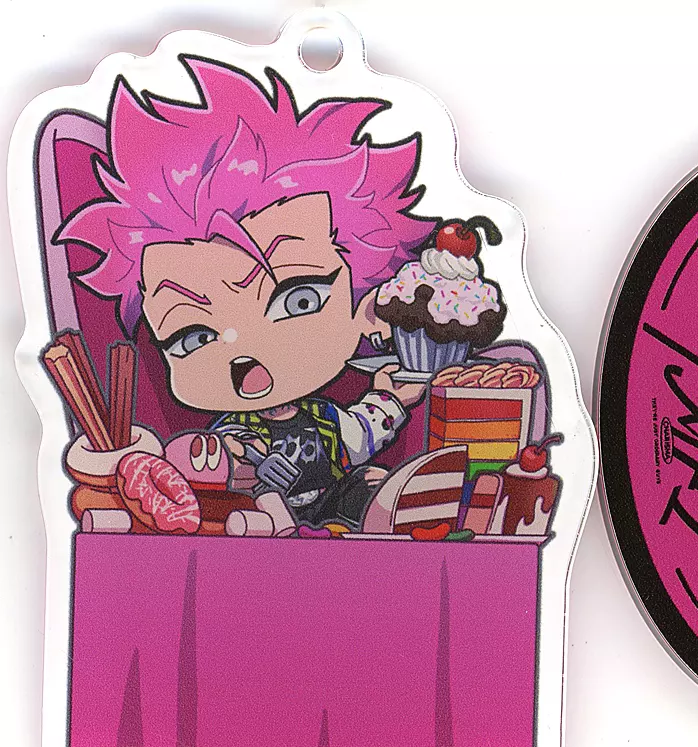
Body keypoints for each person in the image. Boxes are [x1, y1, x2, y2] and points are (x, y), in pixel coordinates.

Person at [57, 58, 436, 526]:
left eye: (298, 300)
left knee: (375, 489)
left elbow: (359, 434)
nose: (245, 354)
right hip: (256, 522)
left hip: (338, 514)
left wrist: (392, 399)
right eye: (195, 336)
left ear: (368, 311)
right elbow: (221, 457)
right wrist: (248, 467)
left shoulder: (325, 417)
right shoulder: (239, 433)